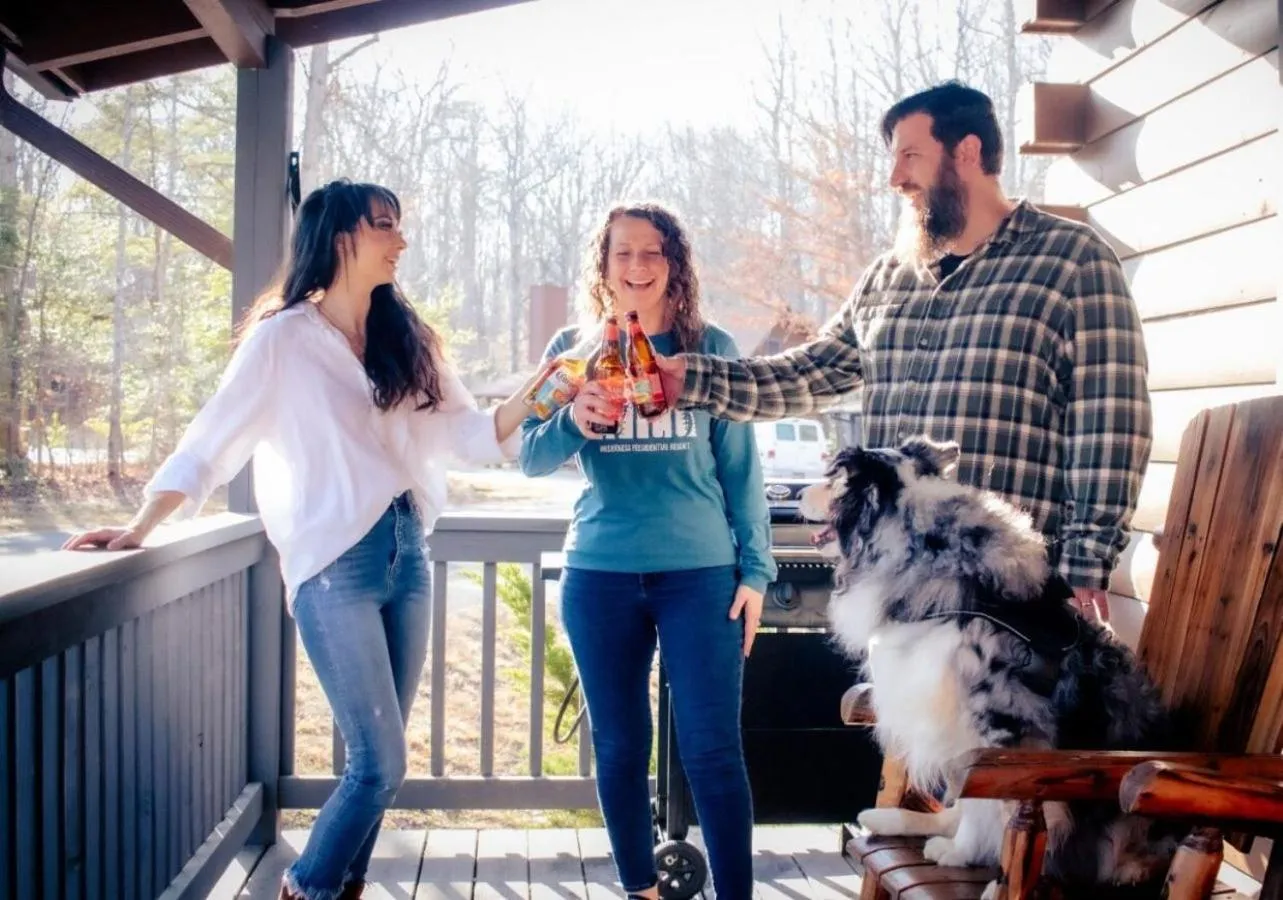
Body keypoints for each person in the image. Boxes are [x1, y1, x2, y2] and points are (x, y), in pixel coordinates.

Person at [62, 180, 534, 900]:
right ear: (340, 236)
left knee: (381, 759)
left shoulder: (406, 339)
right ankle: (307, 887)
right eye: (384, 225)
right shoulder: (282, 340)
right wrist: (141, 526)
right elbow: (212, 439)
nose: (399, 240)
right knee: (379, 764)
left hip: (408, 555)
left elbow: (468, 433)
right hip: (334, 567)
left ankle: (344, 886)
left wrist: (541, 387)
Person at [647, 81, 1153, 624]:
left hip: (1007, 597)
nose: (895, 179)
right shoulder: (888, 277)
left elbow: (1111, 423)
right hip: (899, 591)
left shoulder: (1073, 261)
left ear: (968, 152)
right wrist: (689, 379)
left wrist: (1085, 561)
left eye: (911, 155)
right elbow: (809, 372)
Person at [521, 203, 776, 900]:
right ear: (602, 268)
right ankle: (641, 890)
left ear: (674, 264)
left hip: (700, 576)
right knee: (620, 748)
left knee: (711, 750)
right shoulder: (573, 350)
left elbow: (740, 471)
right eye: (622, 254)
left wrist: (754, 570)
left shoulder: (710, 348)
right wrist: (572, 420)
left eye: (652, 253)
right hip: (599, 574)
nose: (637, 266)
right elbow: (529, 457)